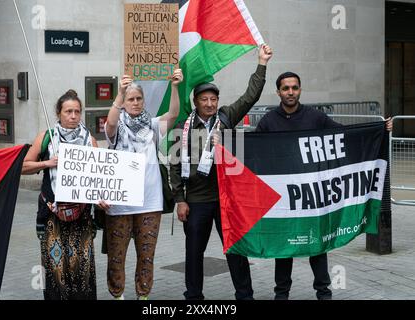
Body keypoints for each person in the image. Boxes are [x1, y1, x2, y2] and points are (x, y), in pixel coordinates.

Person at [255, 71, 392, 300]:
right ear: (278, 91)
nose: (290, 92)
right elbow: (254, 152)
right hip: (284, 200)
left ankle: (323, 292)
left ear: (300, 89)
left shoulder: (315, 117)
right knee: (283, 247)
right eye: (286, 88)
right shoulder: (269, 121)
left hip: (313, 197)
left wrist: (378, 130)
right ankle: (282, 294)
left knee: (317, 245)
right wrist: (225, 144)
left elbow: (344, 135)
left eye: (295, 87)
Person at [170, 44, 273, 300]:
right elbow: (173, 166)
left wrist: (261, 63)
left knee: (236, 250)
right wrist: (179, 200)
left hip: (227, 200)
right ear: (195, 102)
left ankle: (245, 295)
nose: (209, 103)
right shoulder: (183, 127)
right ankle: (193, 297)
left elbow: (251, 96)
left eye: (213, 99)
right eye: (204, 99)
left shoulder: (227, 117)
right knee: (194, 252)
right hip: (196, 201)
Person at [98, 68, 184, 300]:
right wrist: (120, 93)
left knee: (146, 255)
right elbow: (110, 123)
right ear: (124, 102)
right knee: (117, 254)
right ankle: (117, 295)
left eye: (139, 99)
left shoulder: (153, 125)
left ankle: (143, 296)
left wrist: (175, 86)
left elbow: (173, 114)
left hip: (149, 202)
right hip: (120, 205)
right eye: (131, 99)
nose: (135, 103)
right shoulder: (116, 128)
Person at [22, 89, 98, 300]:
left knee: (82, 269)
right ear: (59, 113)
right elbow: (23, 166)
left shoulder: (89, 140)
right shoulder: (47, 138)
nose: (73, 116)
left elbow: (98, 178)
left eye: (77, 111)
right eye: (68, 112)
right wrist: (48, 162)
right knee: (55, 269)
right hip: (52, 215)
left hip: (81, 216)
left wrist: (101, 199)